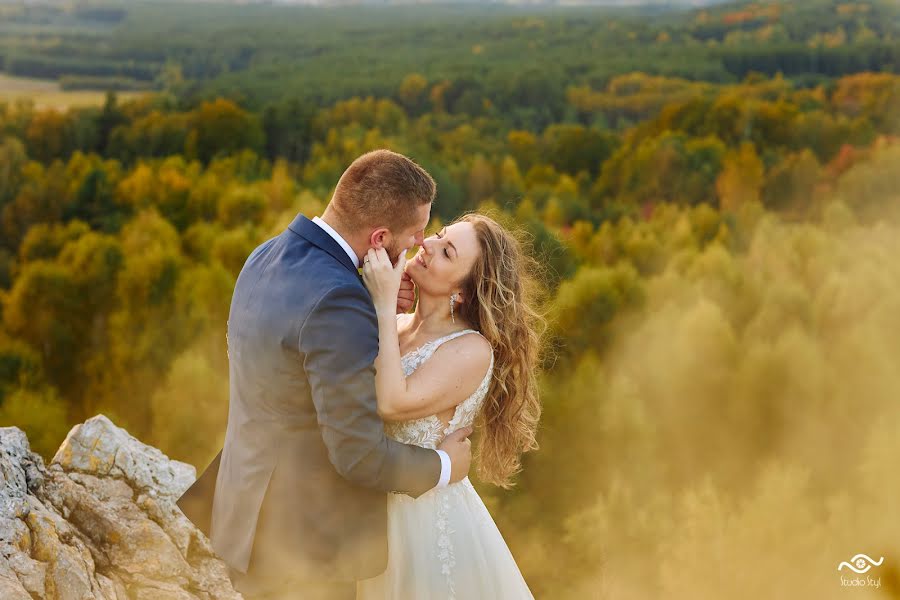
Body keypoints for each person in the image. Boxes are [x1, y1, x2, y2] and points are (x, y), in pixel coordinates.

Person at [177, 149, 474, 600]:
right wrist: (446, 465)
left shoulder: (267, 254)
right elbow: (357, 455)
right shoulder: (339, 301)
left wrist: (371, 315)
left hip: (239, 515)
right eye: (412, 239)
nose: (415, 250)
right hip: (298, 553)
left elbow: (283, 372)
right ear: (379, 238)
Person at [357, 212, 543, 599]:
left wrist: (382, 302)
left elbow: (390, 401)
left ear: (463, 292)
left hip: (425, 522)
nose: (427, 245)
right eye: (438, 235)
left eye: (447, 251)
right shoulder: (397, 324)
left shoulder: (470, 349)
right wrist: (386, 310)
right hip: (367, 514)